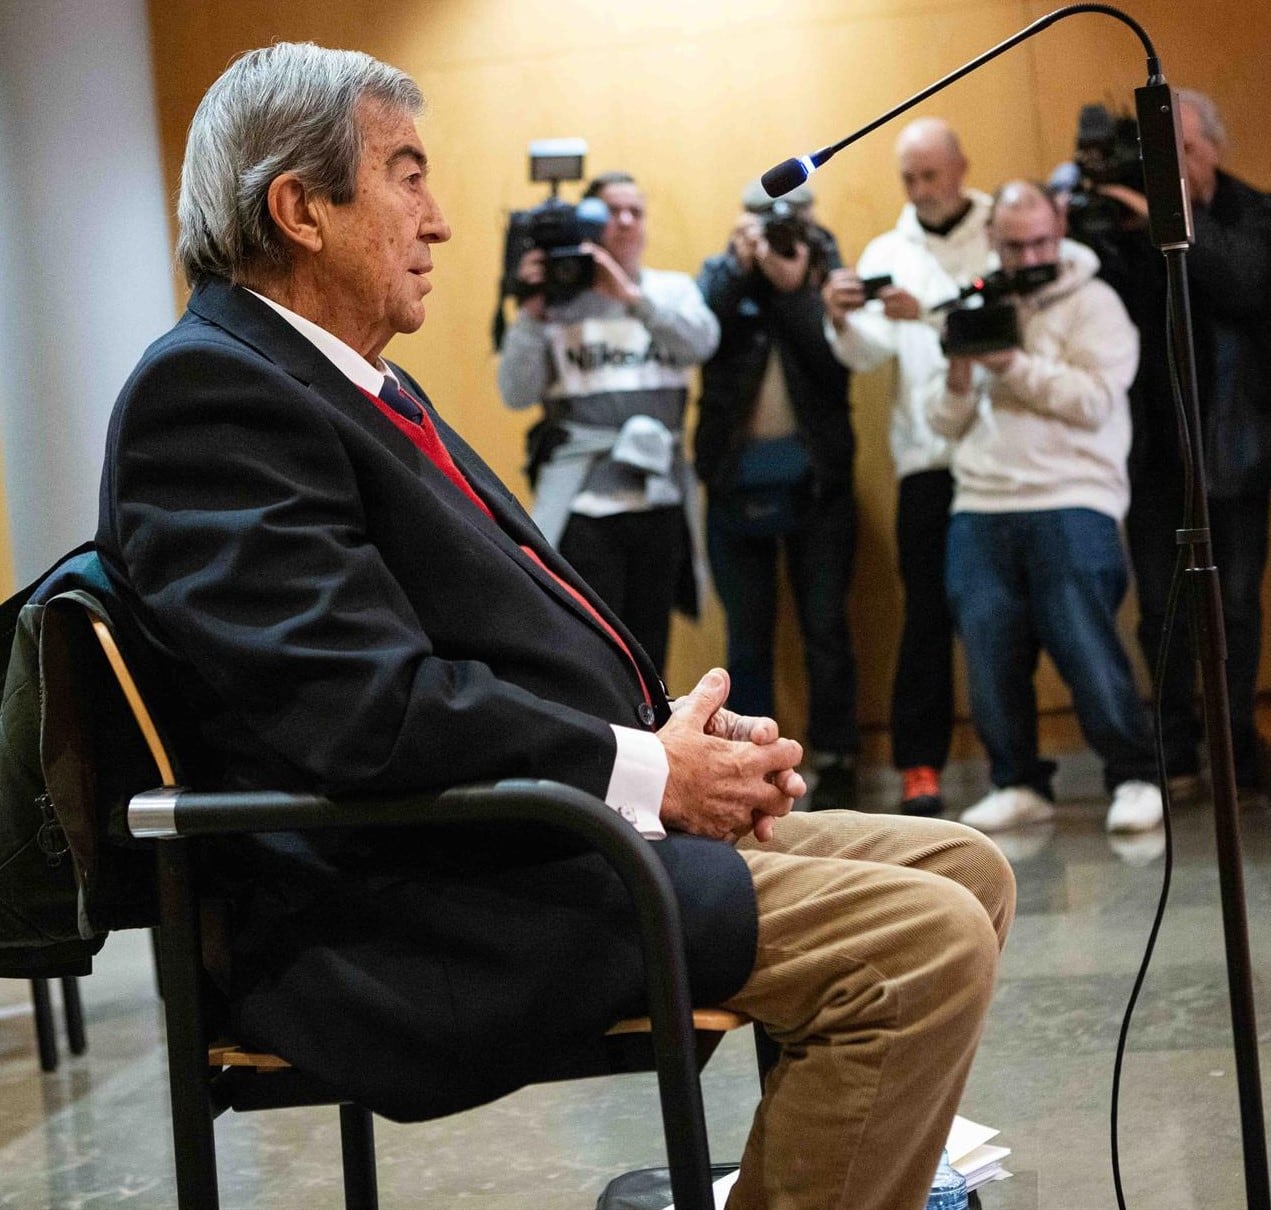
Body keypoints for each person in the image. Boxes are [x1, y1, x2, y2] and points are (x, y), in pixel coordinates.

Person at [95, 43, 1015, 1210]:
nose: (438, 222)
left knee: (964, 865)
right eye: (405, 175)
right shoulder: (212, 397)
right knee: (916, 947)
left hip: (513, 831)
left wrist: (662, 736)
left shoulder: (343, 378)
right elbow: (365, 714)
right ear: (299, 209)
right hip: (414, 897)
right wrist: (646, 772)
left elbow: (484, 636)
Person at [925, 180, 1163, 834]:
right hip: (978, 502)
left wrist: (1008, 363)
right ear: (991, 241)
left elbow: (1091, 402)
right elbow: (941, 423)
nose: (1028, 256)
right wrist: (958, 372)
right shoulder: (971, 302)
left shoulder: (1096, 303)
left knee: (1086, 647)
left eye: (1040, 241)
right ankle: (1017, 781)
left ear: (1058, 230)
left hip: (1071, 498)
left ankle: (1136, 776)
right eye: (1012, 245)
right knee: (989, 652)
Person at [1081, 90, 1271, 799]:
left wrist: (1169, 221)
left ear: (1212, 149)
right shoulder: (1119, 224)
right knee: (1161, 610)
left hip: (1233, 447)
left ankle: (1231, 749)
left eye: (1182, 151)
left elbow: (1246, 284)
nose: (1171, 166)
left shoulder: (1251, 213)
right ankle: (1178, 753)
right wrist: (1106, 218)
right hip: (1153, 451)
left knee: (1235, 608)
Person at [822, 118, 993, 817]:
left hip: (1008, 451)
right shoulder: (887, 249)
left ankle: (1018, 767)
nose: (920, 189)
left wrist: (922, 314)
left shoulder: (1003, 228)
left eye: (930, 174)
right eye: (908, 178)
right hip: (927, 458)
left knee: (1006, 615)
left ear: (959, 167)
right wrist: (838, 318)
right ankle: (918, 763)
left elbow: (1000, 324)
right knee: (926, 614)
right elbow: (864, 354)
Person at [496, 170, 718, 674]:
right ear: (587, 224)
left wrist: (632, 298)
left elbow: (701, 344)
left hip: (658, 500)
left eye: (634, 211)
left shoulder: (672, 291)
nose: (624, 222)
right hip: (586, 505)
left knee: (650, 654)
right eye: (609, 212)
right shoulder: (557, 301)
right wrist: (531, 312)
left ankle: (659, 751)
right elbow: (515, 392)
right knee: (594, 654)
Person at [694, 179, 859, 810]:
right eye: (764, 217)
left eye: (793, 215)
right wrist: (738, 270)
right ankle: (751, 769)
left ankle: (838, 759)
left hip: (819, 483)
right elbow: (695, 335)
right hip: (736, 482)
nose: (779, 228)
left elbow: (834, 359)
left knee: (826, 626)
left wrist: (795, 292)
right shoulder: (721, 274)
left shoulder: (827, 273)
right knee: (747, 635)